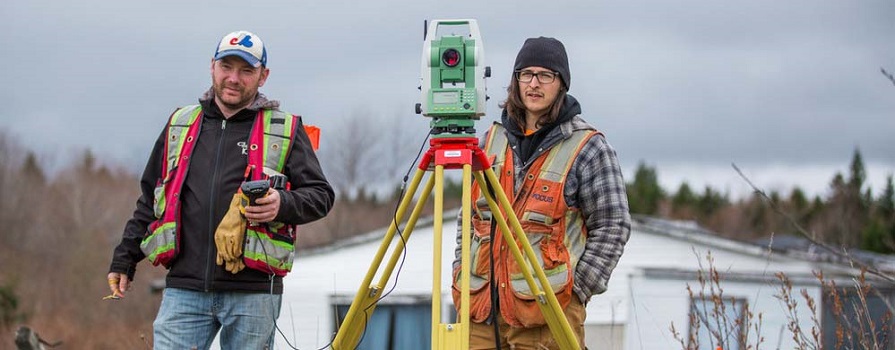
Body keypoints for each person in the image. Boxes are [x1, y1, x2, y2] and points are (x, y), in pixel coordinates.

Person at [106, 30, 334, 349]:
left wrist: (281, 203)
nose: (234, 78)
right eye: (226, 67)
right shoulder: (179, 124)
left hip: (254, 294)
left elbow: (322, 196)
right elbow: (151, 199)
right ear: (212, 67)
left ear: (263, 76)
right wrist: (124, 259)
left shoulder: (286, 129)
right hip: (184, 290)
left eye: (246, 70)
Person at [451, 37, 631, 349]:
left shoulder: (588, 147)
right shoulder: (488, 141)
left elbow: (614, 226)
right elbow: (468, 219)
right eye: (526, 74)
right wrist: (460, 269)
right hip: (481, 311)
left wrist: (577, 291)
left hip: (549, 312)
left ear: (561, 84)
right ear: (515, 81)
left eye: (546, 75)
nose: (534, 84)